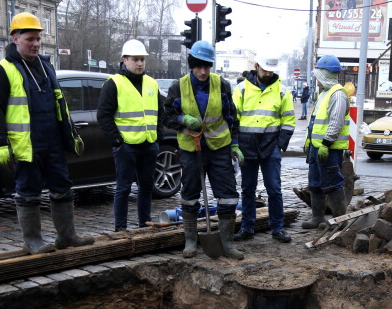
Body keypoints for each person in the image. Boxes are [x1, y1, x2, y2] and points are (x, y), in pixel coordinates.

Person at [0, 12, 93, 254]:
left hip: (53, 139)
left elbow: (59, 103)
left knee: (62, 186)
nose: (35, 43)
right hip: (27, 142)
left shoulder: (46, 66)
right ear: (15, 38)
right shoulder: (3, 70)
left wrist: (70, 133)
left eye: (38, 39)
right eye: (30, 39)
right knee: (28, 190)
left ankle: (66, 236)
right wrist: (2, 142)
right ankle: (32, 240)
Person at [163, 40, 243, 260]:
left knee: (227, 196)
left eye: (206, 66)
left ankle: (227, 242)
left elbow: (231, 118)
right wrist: (183, 119)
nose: (202, 71)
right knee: (189, 194)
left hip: (219, 148)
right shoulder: (178, 86)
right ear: (191, 65)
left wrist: (235, 144)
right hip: (191, 148)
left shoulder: (222, 85)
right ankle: (190, 240)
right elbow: (167, 116)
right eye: (198, 66)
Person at [97, 39, 164, 231]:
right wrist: (117, 141)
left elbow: (160, 112)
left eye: (142, 59)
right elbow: (103, 115)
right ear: (124, 60)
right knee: (123, 188)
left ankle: (144, 224)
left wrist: (157, 137)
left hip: (149, 144)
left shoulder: (152, 83)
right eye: (135, 59)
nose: (140, 63)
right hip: (126, 146)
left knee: (146, 187)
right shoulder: (114, 83)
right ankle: (121, 229)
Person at [233, 54, 295, 244]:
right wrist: (235, 143)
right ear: (256, 66)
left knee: (274, 189)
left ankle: (278, 228)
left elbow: (289, 120)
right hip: (246, 146)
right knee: (248, 189)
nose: (268, 73)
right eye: (265, 69)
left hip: (270, 147)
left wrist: (279, 144)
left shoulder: (282, 91)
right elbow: (233, 118)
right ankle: (247, 227)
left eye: (271, 70)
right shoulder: (242, 89)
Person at [301, 55, 350, 229]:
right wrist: (309, 142)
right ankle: (317, 218)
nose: (316, 79)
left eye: (317, 76)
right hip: (317, 148)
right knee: (315, 184)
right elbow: (315, 121)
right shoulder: (324, 94)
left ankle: (339, 221)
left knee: (333, 184)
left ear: (324, 75)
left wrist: (326, 144)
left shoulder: (337, 94)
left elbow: (335, 123)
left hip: (329, 150)